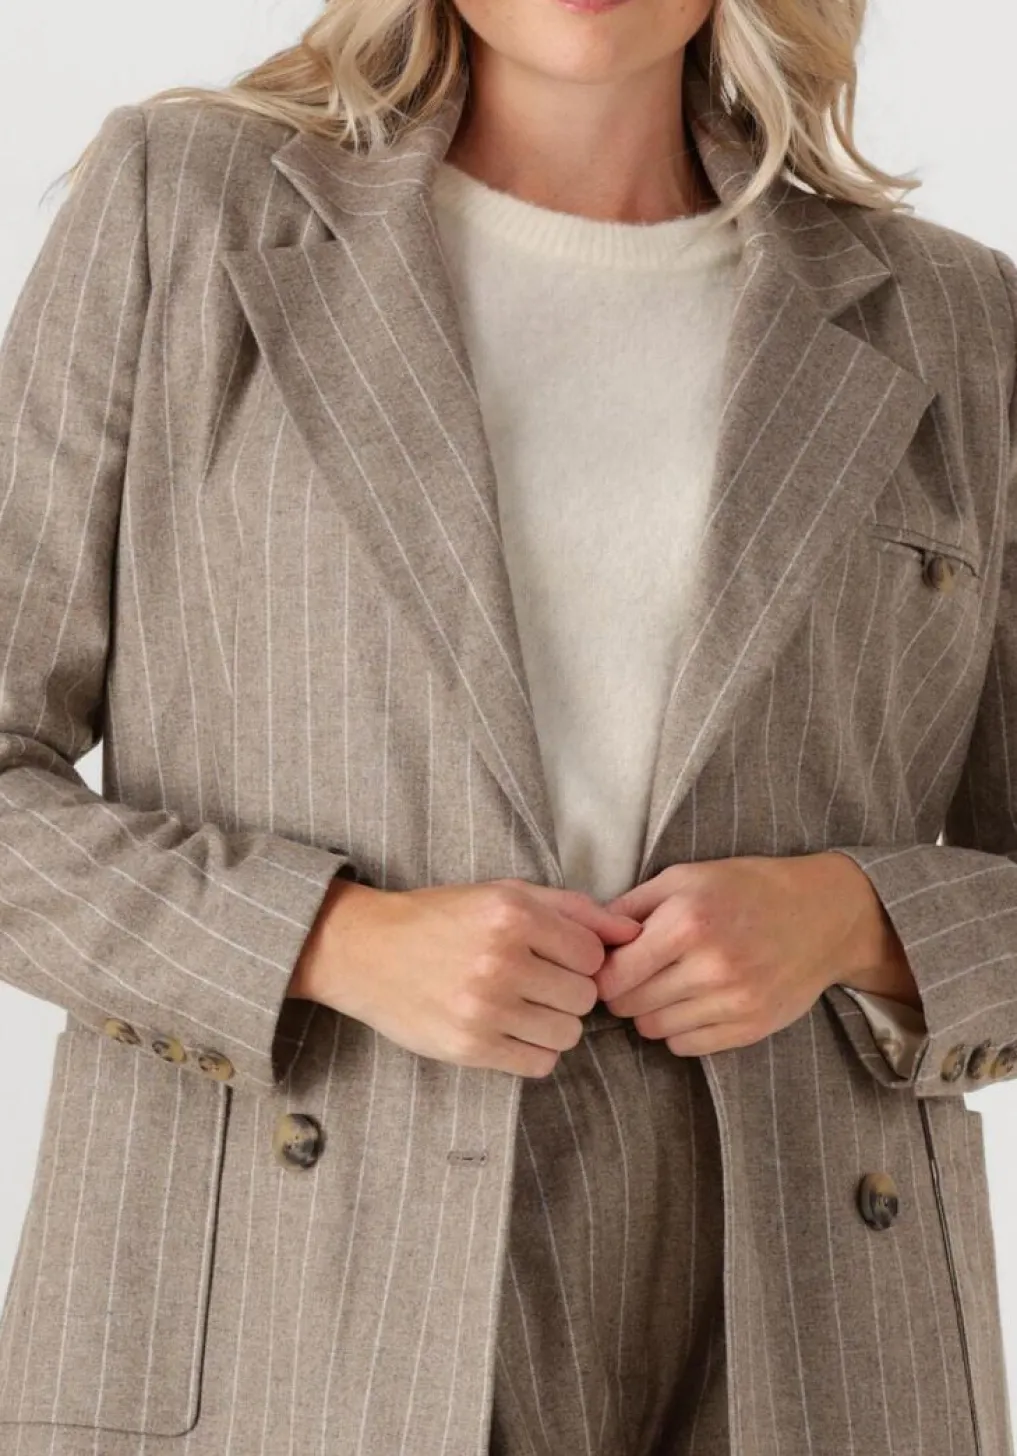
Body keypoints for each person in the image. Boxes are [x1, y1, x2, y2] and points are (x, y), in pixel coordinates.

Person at [1, 0, 1015, 1453]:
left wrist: (854, 922)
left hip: (810, 1334)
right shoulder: (189, 211)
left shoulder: (956, 318)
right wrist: (327, 940)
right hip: (279, 1318)